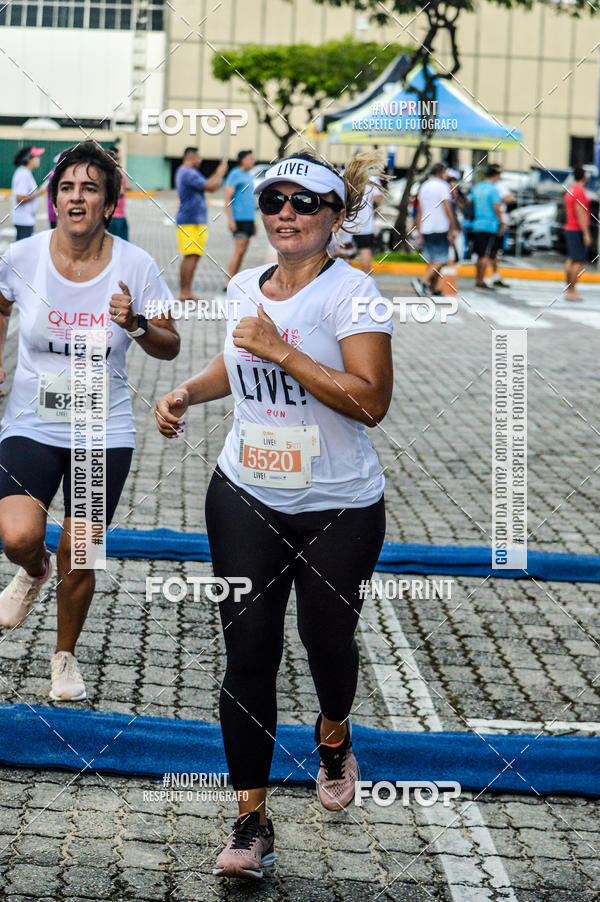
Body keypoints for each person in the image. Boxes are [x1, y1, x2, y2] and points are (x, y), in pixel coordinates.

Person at [155, 150, 393, 880]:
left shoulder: (354, 295)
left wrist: (283, 350)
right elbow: (237, 363)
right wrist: (189, 393)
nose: (286, 213)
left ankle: (332, 733)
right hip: (245, 494)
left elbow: (370, 401)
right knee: (249, 655)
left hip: (339, 505)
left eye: (305, 202)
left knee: (327, 646)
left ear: (337, 217)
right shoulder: (242, 286)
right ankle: (250, 821)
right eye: (274, 200)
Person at [0, 141, 180, 701]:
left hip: (102, 429)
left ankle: (64, 656)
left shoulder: (135, 265)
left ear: (108, 203)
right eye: (67, 188)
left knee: (82, 549)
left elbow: (169, 346)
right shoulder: (21, 257)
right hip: (31, 421)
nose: (77, 197)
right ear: (54, 200)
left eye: (90, 188)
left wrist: (137, 322)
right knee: (18, 536)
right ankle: (32, 571)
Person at [175, 147, 228, 300]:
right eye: (199, 157)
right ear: (192, 157)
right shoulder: (189, 173)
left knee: (193, 255)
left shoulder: (186, 172)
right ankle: (184, 291)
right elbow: (211, 187)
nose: (201, 160)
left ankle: (186, 291)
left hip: (194, 220)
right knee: (191, 255)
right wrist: (220, 172)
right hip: (191, 221)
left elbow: (210, 184)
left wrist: (218, 175)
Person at [412, 162, 457, 296]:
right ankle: (423, 281)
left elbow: (419, 210)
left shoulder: (424, 186)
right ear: (441, 172)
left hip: (426, 227)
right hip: (440, 226)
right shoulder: (442, 186)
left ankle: (435, 288)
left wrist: (418, 229)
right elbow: (447, 207)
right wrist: (452, 226)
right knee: (441, 260)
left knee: (432, 259)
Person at [337, 151, 384, 273]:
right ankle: (366, 278)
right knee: (365, 250)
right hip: (365, 222)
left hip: (347, 221)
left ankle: (345, 280)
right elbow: (378, 198)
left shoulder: (344, 175)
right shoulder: (370, 177)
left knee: (347, 252)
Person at [224, 150, 256, 286]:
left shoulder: (248, 176)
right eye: (250, 158)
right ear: (243, 160)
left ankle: (235, 279)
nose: (253, 160)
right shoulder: (234, 174)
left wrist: (254, 222)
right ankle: (228, 282)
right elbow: (227, 198)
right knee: (238, 250)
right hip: (239, 220)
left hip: (249, 219)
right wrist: (231, 220)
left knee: (243, 251)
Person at [469, 165, 504, 290]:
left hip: (477, 224)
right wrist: (501, 222)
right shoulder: (493, 190)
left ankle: (478, 279)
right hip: (490, 225)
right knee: (485, 255)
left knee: (479, 253)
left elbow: (470, 202)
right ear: (495, 175)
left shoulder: (477, 187)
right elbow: (496, 207)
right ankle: (481, 281)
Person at [564, 166, 591, 302]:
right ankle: (572, 291)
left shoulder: (571, 190)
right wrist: (586, 233)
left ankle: (569, 288)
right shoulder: (579, 191)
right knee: (578, 262)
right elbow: (580, 212)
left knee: (571, 260)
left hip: (570, 227)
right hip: (577, 229)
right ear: (584, 177)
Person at [488, 164, 515, 288]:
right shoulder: (495, 188)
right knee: (492, 252)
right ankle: (491, 276)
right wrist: (501, 223)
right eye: (499, 173)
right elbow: (499, 204)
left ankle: (494, 276)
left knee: (493, 252)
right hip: (495, 223)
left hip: (490, 223)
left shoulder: (490, 187)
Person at [11, 146, 47, 241]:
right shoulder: (23, 174)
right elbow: (19, 198)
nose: (39, 159)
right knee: (22, 252)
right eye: (37, 157)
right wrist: (39, 193)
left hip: (26, 220)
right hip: (23, 220)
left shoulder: (25, 172)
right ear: (29, 159)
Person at [106, 146, 130, 241]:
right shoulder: (109, 173)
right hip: (113, 216)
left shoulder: (119, 171)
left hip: (121, 214)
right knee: (113, 244)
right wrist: (122, 188)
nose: (119, 160)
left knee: (124, 244)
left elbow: (128, 186)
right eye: (118, 158)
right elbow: (120, 191)